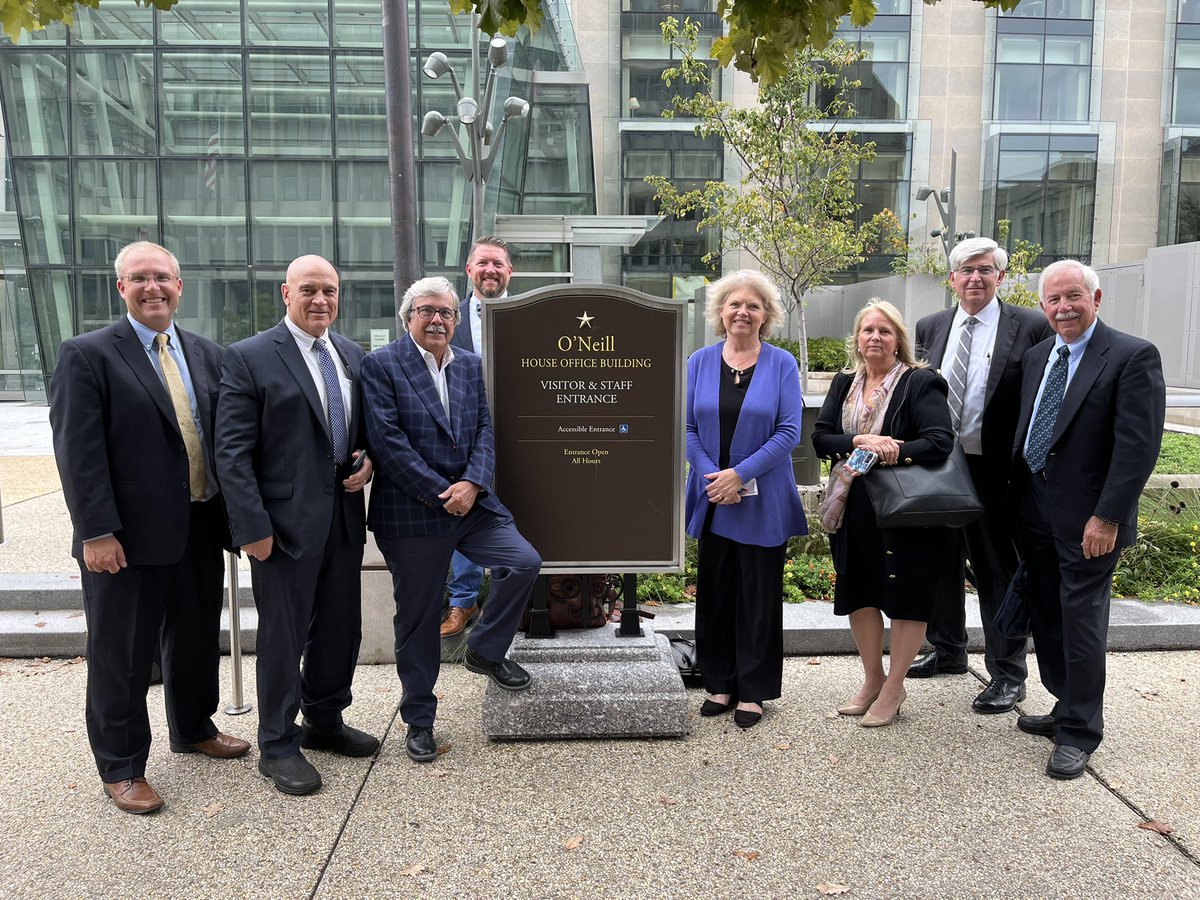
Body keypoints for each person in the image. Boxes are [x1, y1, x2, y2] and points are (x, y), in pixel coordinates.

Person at [49, 241, 249, 815]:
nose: (153, 287)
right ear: (122, 287)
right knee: (122, 655)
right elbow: (78, 454)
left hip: (199, 525)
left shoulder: (207, 354)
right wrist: (96, 532)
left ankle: (193, 727)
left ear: (179, 286)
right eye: (140, 278)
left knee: (193, 639)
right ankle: (122, 765)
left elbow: (226, 439)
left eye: (163, 278)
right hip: (125, 540)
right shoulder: (88, 355)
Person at [215, 255, 379, 797]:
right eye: (309, 289)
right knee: (284, 637)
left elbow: (359, 432)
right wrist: (251, 528)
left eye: (330, 291)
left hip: (342, 520)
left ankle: (324, 721)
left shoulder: (351, 355)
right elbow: (231, 453)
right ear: (286, 293)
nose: (321, 300)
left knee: (341, 628)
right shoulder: (250, 357)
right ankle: (277, 744)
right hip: (281, 529)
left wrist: (367, 460)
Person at [360, 276, 541, 763]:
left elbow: (485, 428)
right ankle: (419, 719)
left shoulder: (469, 366)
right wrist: (444, 493)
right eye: (427, 311)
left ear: (456, 320)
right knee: (417, 621)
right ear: (409, 317)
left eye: (446, 312)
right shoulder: (381, 365)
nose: (438, 319)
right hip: (413, 513)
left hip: (473, 505)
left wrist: (474, 484)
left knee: (523, 561)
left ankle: (484, 648)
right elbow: (387, 440)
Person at [1011, 260, 1164, 780]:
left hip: (1091, 522)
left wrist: (1108, 517)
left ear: (1095, 299)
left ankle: (1080, 732)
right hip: (1033, 510)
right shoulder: (1037, 357)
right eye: (1053, 300)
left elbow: (1138, 448)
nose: (1063, 308)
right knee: (1048, 617)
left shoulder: (1130, 356)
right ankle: (1063, 706)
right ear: (1043, 307)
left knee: (1080, 621)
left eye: (1073, 296)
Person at [911, 237, 1052, 713]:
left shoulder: (1031, 325)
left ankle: (1008, 673)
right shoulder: (930, 326)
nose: (975, 277)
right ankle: (947, 648)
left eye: (985, 270)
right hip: (938, 466)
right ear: (951, 278)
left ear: (1001, 276)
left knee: (996, 572)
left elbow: (1044, 398)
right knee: (939, 563)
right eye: (966, 270)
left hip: (997, 473)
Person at [811, 300, 955, 728]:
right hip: (853, 507)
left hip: (905, 509)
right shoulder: (843, 383)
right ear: (857, 339)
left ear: (898, 341)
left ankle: (895, 686)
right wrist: (861, 440)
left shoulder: (920, 382)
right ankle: (872, 678)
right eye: (868, 330)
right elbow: (821, 439)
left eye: (885, 331)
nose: (875, 337)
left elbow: (939, 441)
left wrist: (892, 450)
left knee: (907, 596)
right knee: (860, 591)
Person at [684, 270, 809, 729]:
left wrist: (740, 474)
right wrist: (713, 477)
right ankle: (719, 681)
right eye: (735, 304)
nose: (743, 312)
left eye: (753, 306)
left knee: (758, 595)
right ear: (721, 312)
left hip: (762, 497)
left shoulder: (782, 364)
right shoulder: (698, 361)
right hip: (713, 494)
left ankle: (753, 691)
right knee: (715, 592)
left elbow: (789, 431)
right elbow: (689, 428)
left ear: (766, 315)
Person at [442, 236, 514, 637]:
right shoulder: (447, 317)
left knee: (513, 516)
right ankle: (462, 603)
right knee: (463, 511)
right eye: (483, 263)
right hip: (463, 434)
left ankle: (504, 606)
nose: (490, 270)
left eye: (498, 264)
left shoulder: (528, 315)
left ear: (509, 272)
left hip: (519, 433)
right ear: (469, 270)